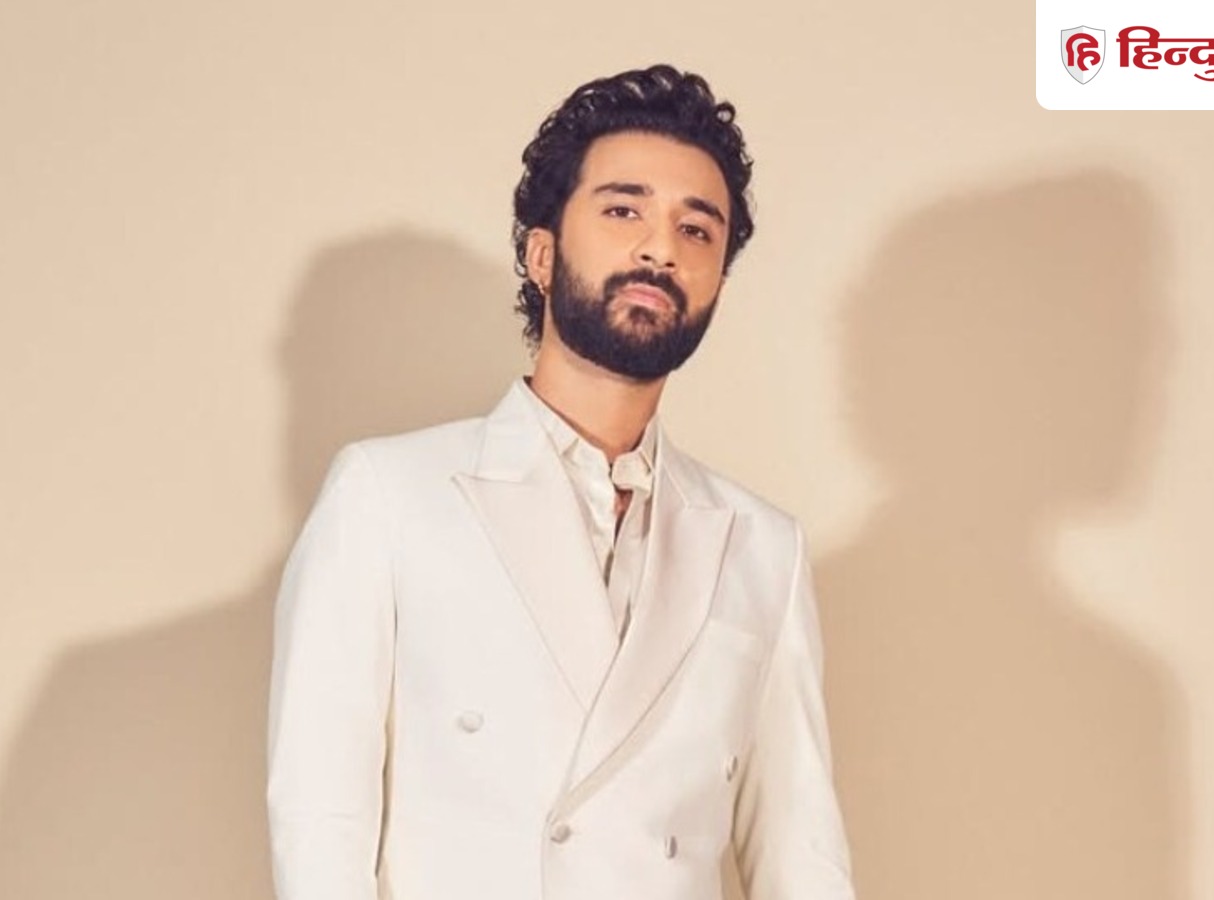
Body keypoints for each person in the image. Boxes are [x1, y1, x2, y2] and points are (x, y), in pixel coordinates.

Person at [267, 64, 854, 900]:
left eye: (697, 230)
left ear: (718, 283)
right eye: (623, 211)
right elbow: (320, 823)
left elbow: (804, 855)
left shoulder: (764, 546)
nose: (661, 248)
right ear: (540, 254)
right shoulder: (388, 497)